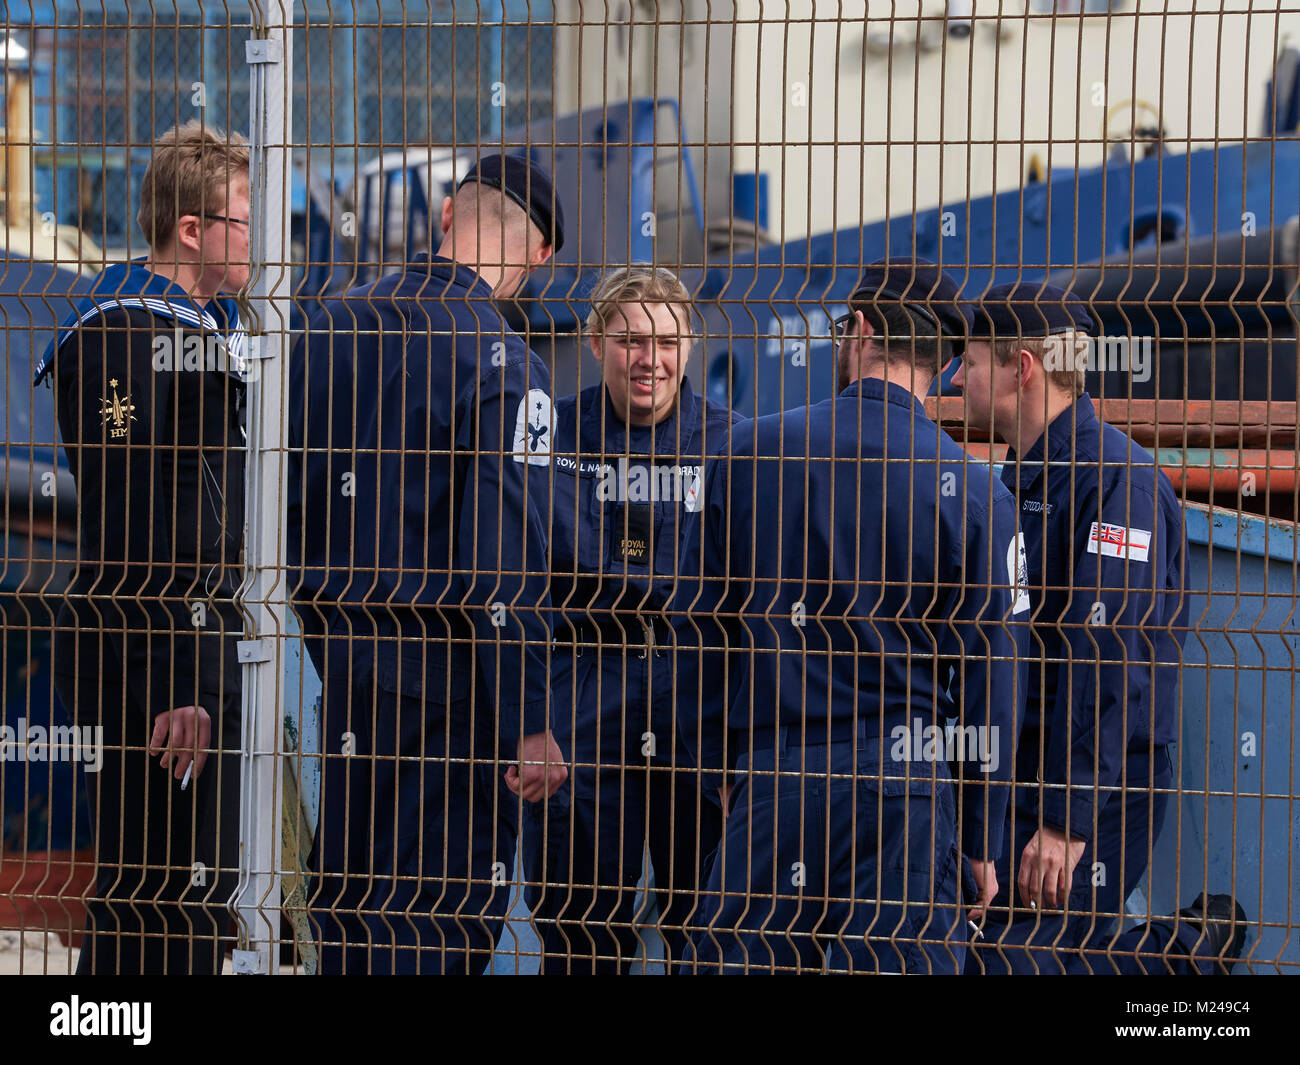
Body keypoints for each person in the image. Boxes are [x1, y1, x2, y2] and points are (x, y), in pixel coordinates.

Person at [685, 259, 1025, 974]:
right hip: (906, 778)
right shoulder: (974, 491)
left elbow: (701, 626)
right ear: (943, 358)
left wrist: (721, 764)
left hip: (775, 767)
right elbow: (994, 672)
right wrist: (982, 837)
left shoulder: (745, 451)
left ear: (863, 330)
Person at [288, 154, 569, 975]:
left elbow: (287, 501)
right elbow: (507, 559)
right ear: (543, 257)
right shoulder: (515, 373)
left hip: (341, 680)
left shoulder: (326, 328)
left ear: (446, 215)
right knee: (438, 929)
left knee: (346, 915)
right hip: (453, 705)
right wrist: (527, 716)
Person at [954, 281, 1248, 974]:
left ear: (1020, 367)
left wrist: (1066, 818)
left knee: (1013, 962)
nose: (956, 377)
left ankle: (1179, 959)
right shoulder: (1022, 478)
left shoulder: (1117, 483)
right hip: (1021, 771)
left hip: (1094, 782)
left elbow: (1107, 651)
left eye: (967, 362)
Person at [36, 120, 251, 974]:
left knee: (187, 898)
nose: (262, 238)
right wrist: (173, 677)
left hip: (199, 651)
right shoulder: (125, 330)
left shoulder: (211, 326)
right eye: (246, 217)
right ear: (192, 229)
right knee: (156, 904)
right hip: (158, 667)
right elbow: (129, 514)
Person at [523, 266, 739, 973]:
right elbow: (518, 590)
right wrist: (532, 720)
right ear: (594, 341)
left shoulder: (734, 446)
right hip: (582, 699)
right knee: (581, 927)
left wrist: (745, 741)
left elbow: (755, 603)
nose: (651, 359)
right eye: (631, 340)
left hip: (695, 703)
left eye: (668, 340)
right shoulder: (549, 439)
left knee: (705, 927)